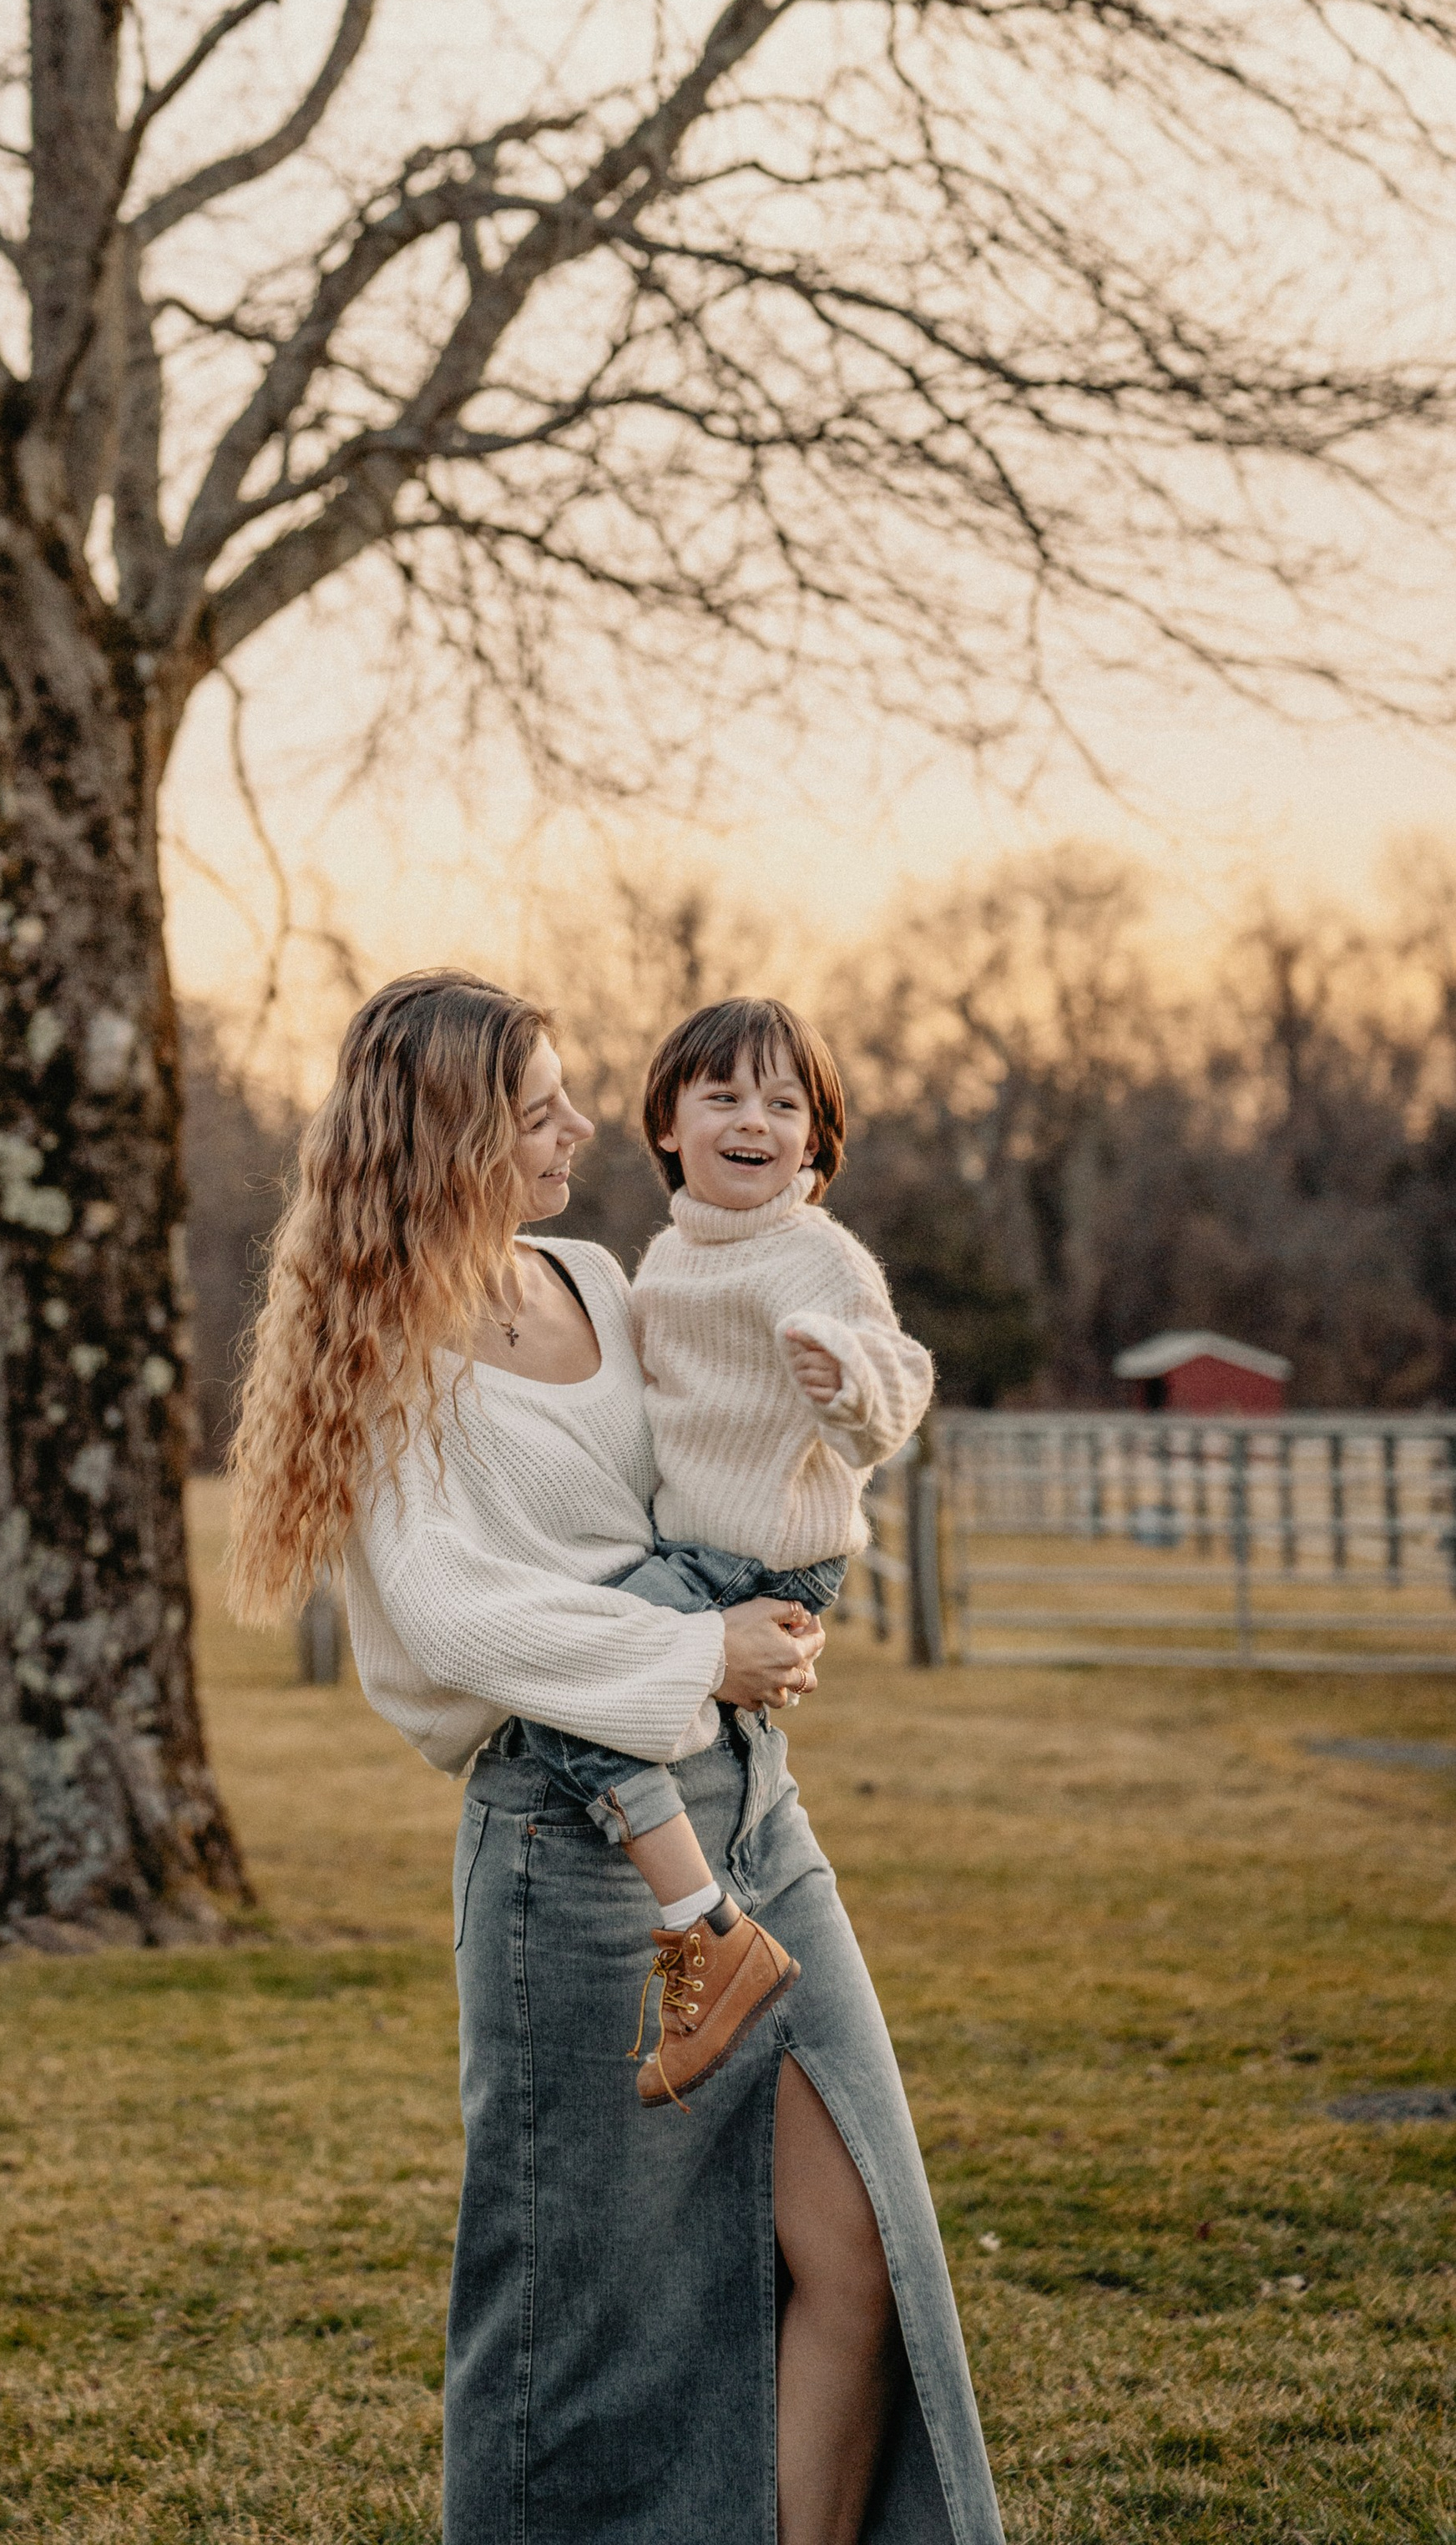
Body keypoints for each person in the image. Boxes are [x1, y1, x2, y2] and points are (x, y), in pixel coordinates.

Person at [227, 970, 1004, 2545]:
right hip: (570, 1868)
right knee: (574, 2326)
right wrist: (689, 1654)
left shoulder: (595, 1270)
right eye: (538, 1112)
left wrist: (789, 1563)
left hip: (754, 1810)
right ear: (451, 1140)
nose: (582, 1127)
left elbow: (720, 1470)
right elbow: (457, 1618)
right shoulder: (386, 1352)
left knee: (861, 2257)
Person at [510, 994, 934, 2105]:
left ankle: (707, 1933)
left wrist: (850, 1386)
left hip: (761, 1557)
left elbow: (900, 1377)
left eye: (786, 1105)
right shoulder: (669, 1259)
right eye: (726, 1097)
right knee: (582, 1686)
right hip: (696, 1548)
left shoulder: (814, 1258)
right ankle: (706, 1932)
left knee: (567, 1682)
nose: (758, 1121)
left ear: (815, 1139)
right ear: (668, 1123)